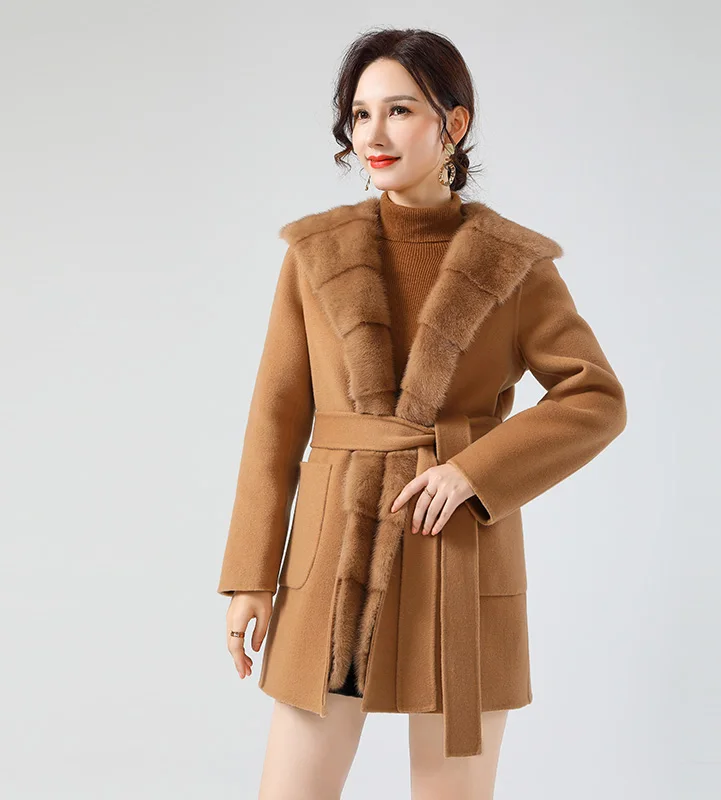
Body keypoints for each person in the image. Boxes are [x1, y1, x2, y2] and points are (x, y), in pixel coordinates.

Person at [217, 27, 627, 800]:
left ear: (454, 124)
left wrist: (475, 472)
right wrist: (250, 578)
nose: (373, 135)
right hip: (333, 555)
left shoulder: (515, 264)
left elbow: (595, 396)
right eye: (359, 113)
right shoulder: (314, 254)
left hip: (457, 549)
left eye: (399, 110)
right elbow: (274, 422)